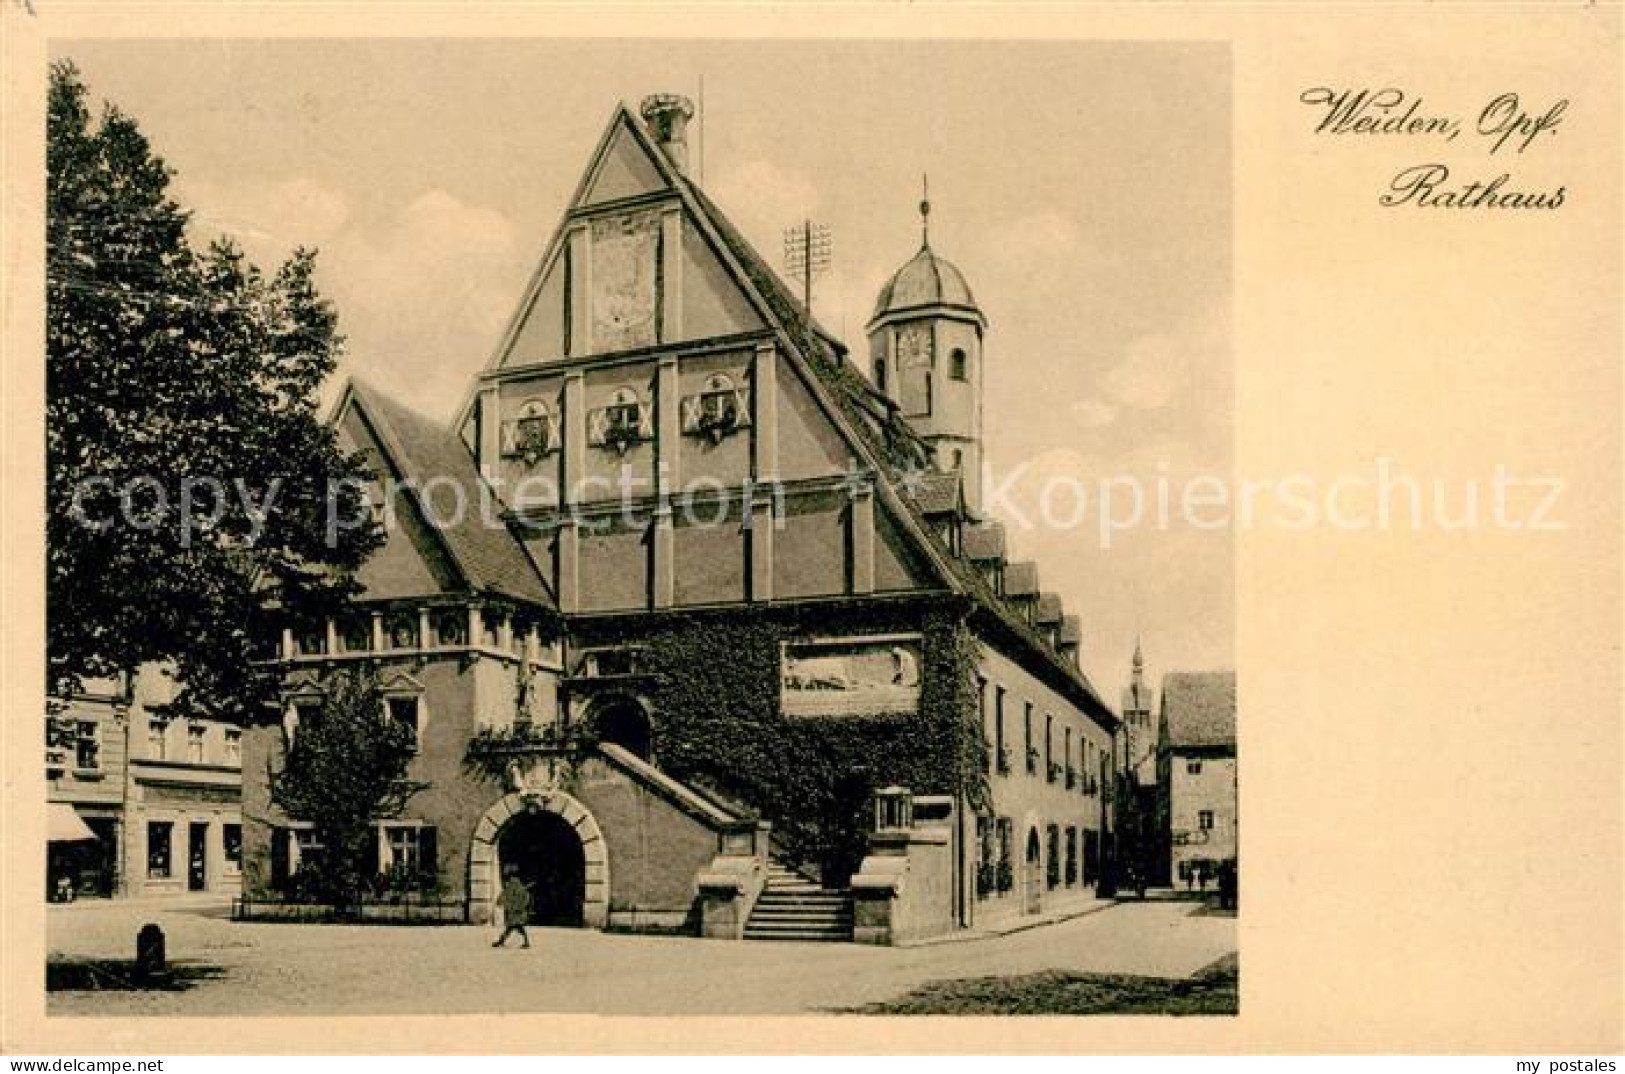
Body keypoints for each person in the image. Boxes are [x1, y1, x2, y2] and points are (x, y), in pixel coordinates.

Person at [492, 869, 533, 949]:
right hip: (515, 913)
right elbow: (503, 896)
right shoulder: (514, 889)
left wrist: (519, 908)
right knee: (513, 928)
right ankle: (502, 941)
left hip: (518, 913)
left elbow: (525, 901)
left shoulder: (521, 890)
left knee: (514, 928)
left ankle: (502, 941)